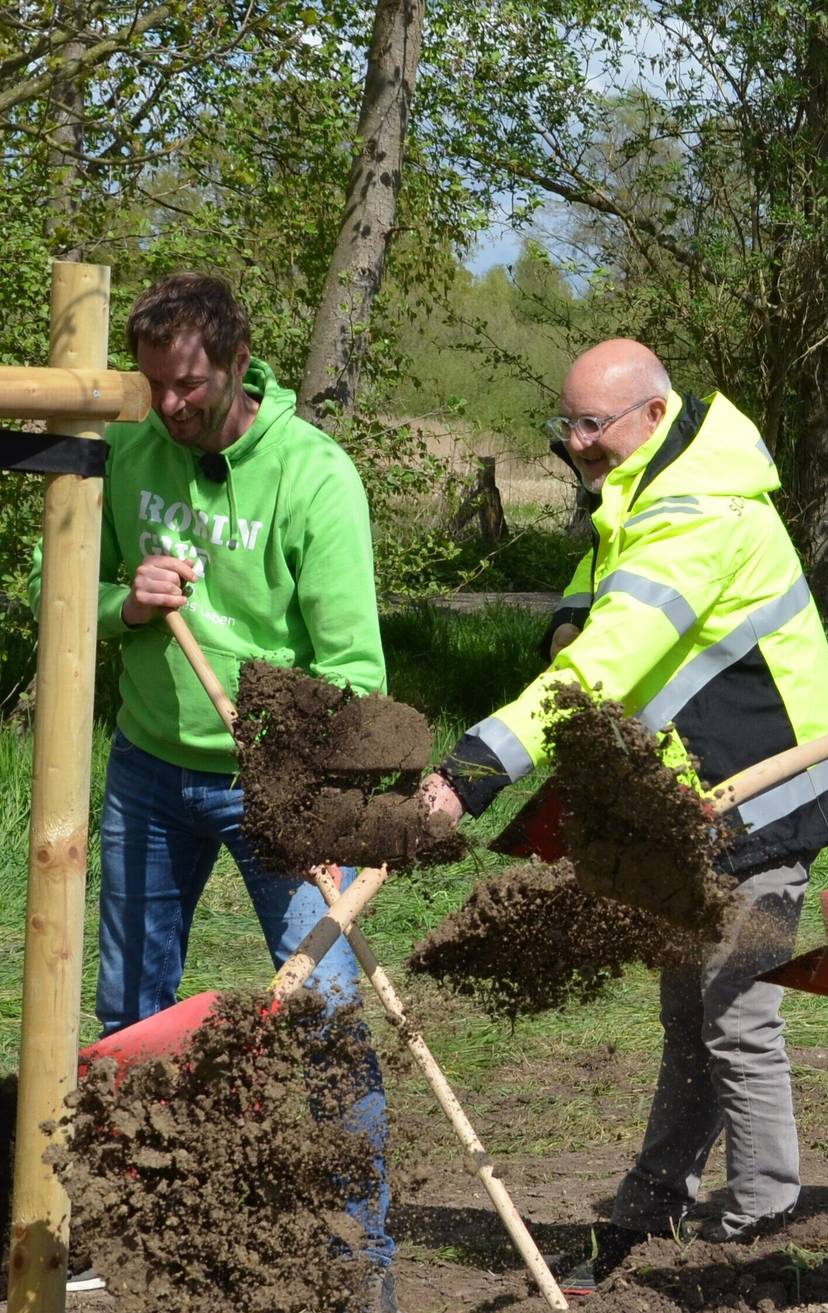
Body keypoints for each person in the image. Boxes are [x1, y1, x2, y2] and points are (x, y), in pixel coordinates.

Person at [419, 340, 828, 1293]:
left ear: (654, 416)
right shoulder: (638, 494)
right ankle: (657, 1200)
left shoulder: (700, 511)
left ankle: (760, 1225)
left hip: (769, 800)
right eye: (568, 425)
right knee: (686, 1017)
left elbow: (606, 663)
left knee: (740, 1013)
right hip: (689, 808)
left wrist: (475, 766)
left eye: (594, 425)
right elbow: (592, 614)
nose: (577, 444)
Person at [55, 272, 395, 1309]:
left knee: (328, 1009)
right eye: (154, 384)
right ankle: (133, 1230)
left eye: (190, 385)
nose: (169, 404)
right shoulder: (124, 447)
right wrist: (124, 596)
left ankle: (358, 1252)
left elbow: (354, 673)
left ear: (240, 363)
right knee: (130, 1008)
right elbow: (52, 575)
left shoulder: (313, 476)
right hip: (150, 769)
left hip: (276, 785)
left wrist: (312, 787)